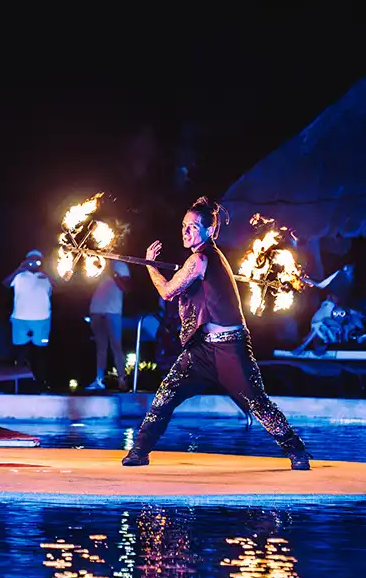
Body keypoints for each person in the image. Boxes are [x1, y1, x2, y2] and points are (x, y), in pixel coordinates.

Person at [123, 197, 312, 470]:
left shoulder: (200, 258)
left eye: (193, 227)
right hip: (201, 350)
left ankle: (297, 451)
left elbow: (167, 291)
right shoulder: (205, 260)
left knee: (258, 403)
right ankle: (139, 451)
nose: (185, 232)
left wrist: (150, 266)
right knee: (166, 394)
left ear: (209, 230)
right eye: (184, 226)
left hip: (230, 349)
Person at [4, 249, 53, 387]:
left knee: (41, 352)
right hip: (20, 319)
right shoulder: (20, 275)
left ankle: (41, 382)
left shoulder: (46, 276)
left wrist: (46, 272)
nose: (34, 262)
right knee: (20, 351)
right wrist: (19, 269)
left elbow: (59, 287)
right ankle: (18, 383)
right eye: (31, 259)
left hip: (42, 320)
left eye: (37, 259)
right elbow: (5, 284)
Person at [86, 259, 130, 391]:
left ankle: (122, 380)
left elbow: (126, 288)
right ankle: (99, 380)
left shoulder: (120, 265)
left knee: (116, 345)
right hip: (96, 310)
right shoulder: (94, 262)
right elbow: (88, 286)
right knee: (101, 348)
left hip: (113, 311)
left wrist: (113, 274)